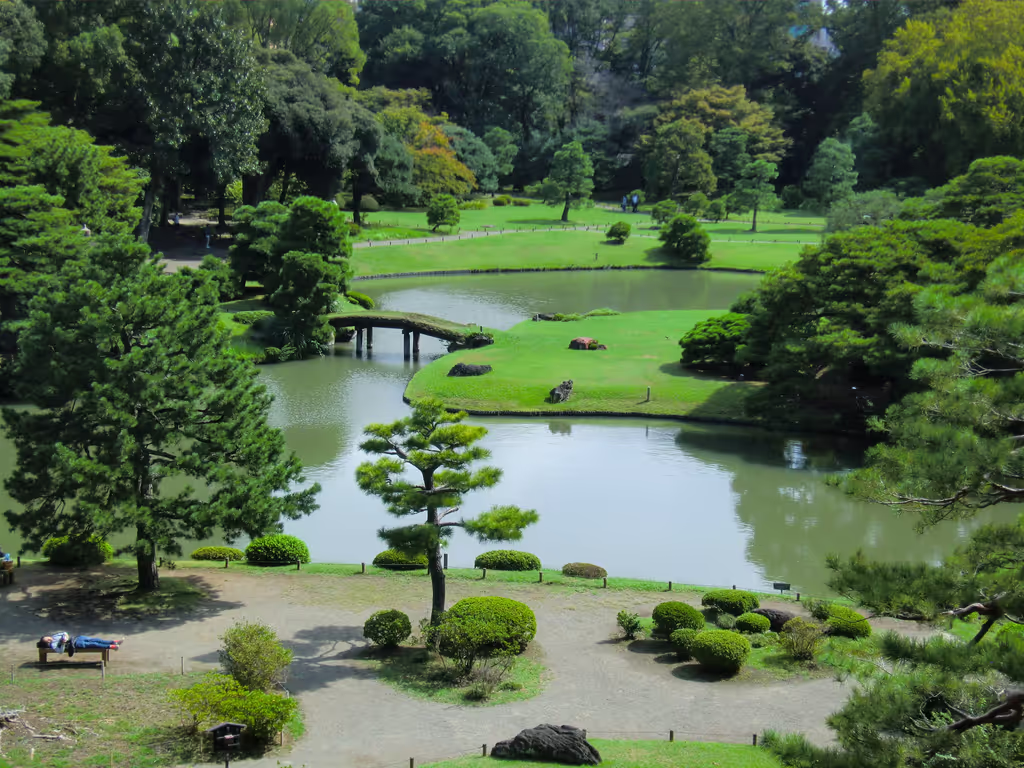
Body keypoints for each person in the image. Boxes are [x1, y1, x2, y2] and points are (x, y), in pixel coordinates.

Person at [39, 632, 125, 657]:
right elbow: (60, 651)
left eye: (47, 637)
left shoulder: (55, 636)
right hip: (75, 644)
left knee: (96, 639)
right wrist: (62, 643)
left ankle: (115, 642)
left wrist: (64, 637)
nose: (48, 638)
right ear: (47, 642)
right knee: (94, 644)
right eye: (46, 640)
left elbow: (64, 633)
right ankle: (113, 647)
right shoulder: (53, 645)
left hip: (77, 638)